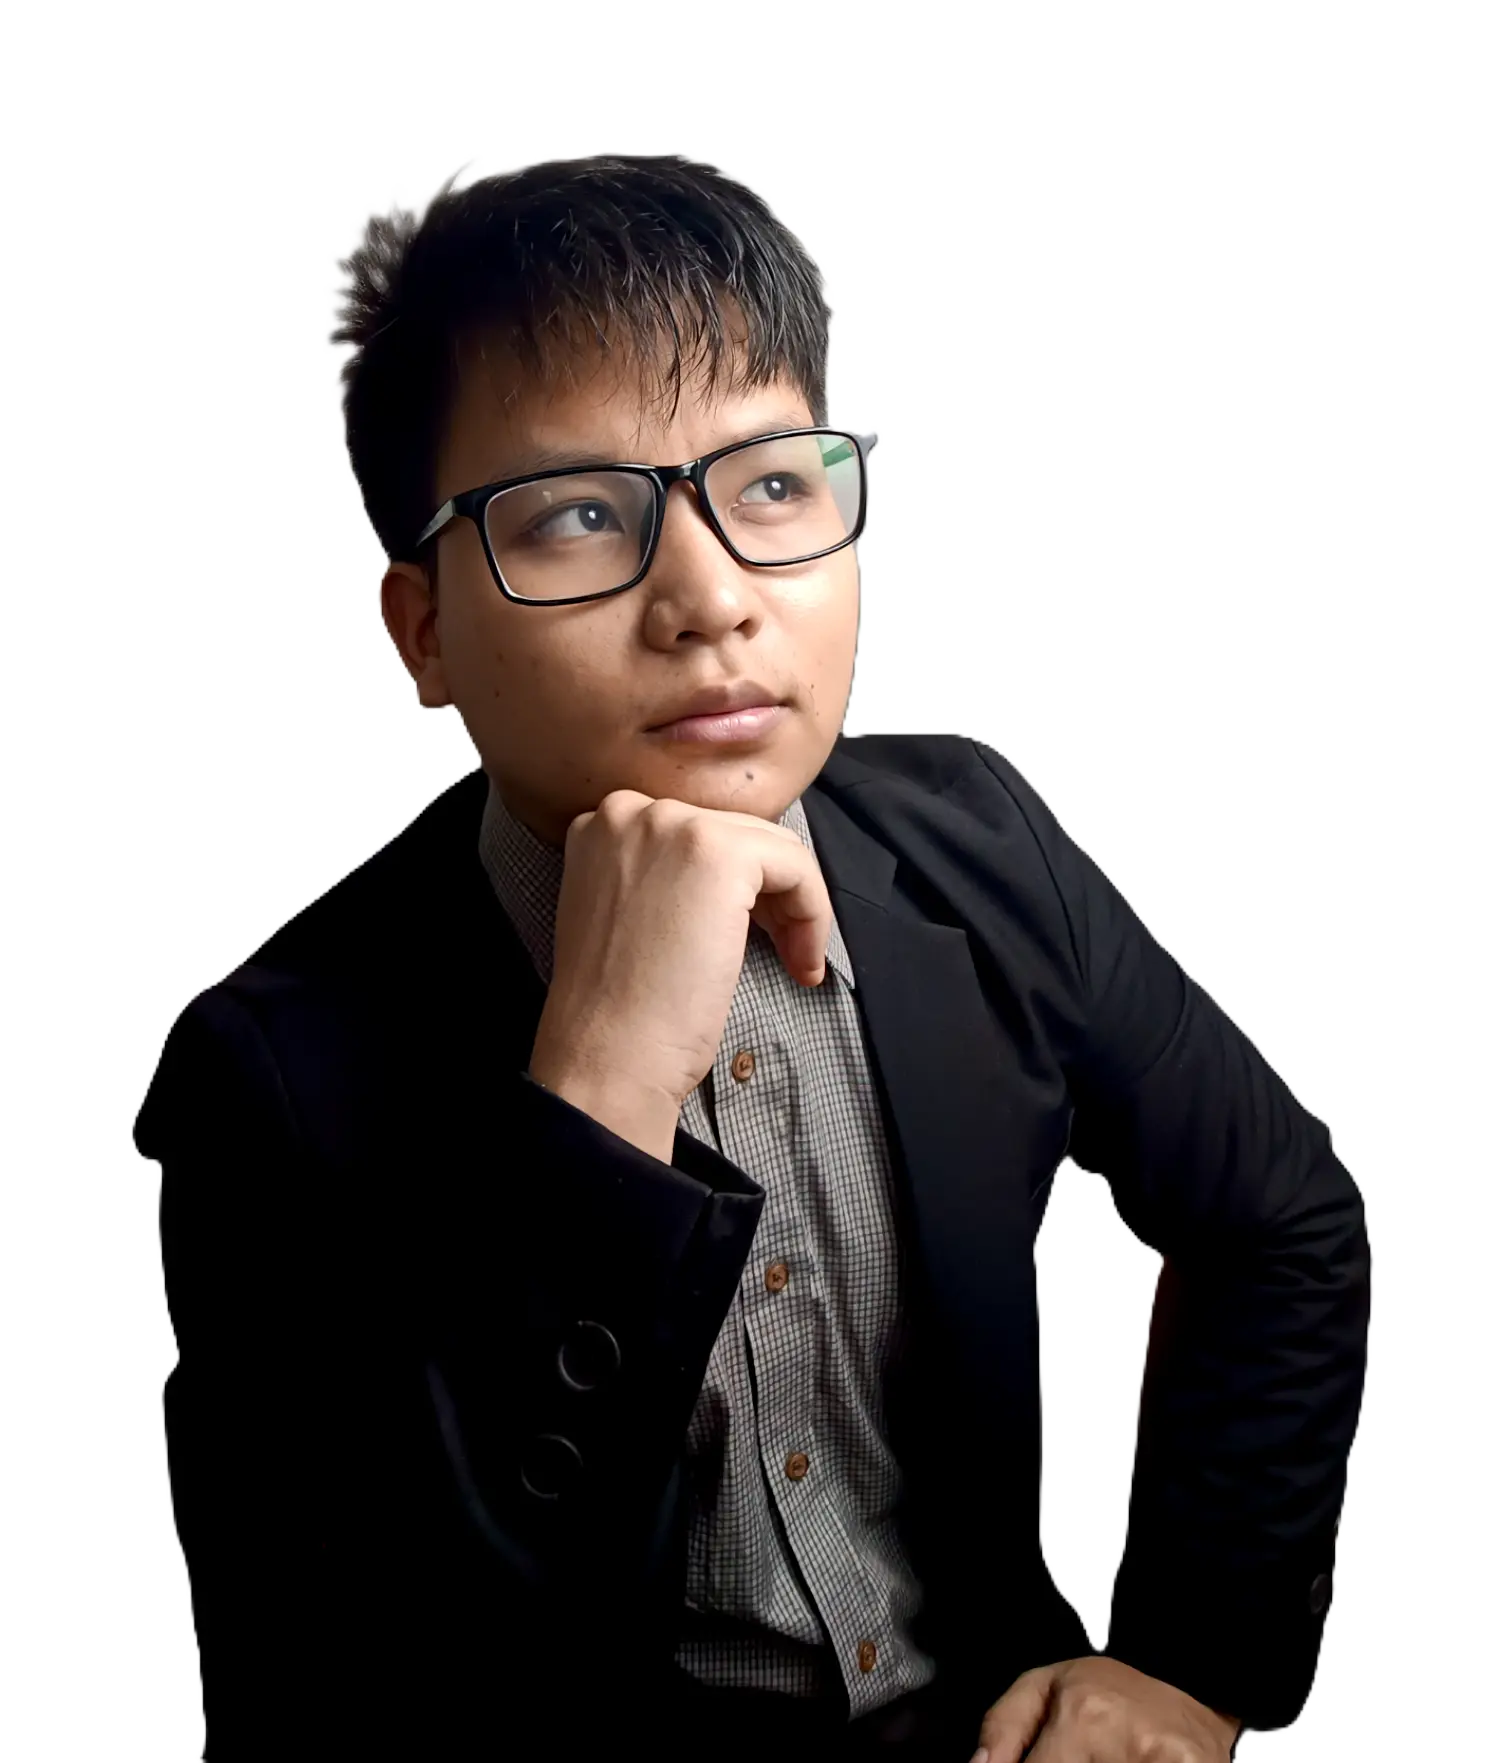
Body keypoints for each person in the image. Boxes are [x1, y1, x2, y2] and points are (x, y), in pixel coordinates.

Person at [131, 152, 1371, 1762]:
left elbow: (1278, 1219)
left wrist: (1190, 1663)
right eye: (581, 515)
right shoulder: (273, 1077)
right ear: (424, 629)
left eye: (773, 485)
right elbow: (332, 1702)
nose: (711, 599)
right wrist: (599, 1089)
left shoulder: (975, 838)